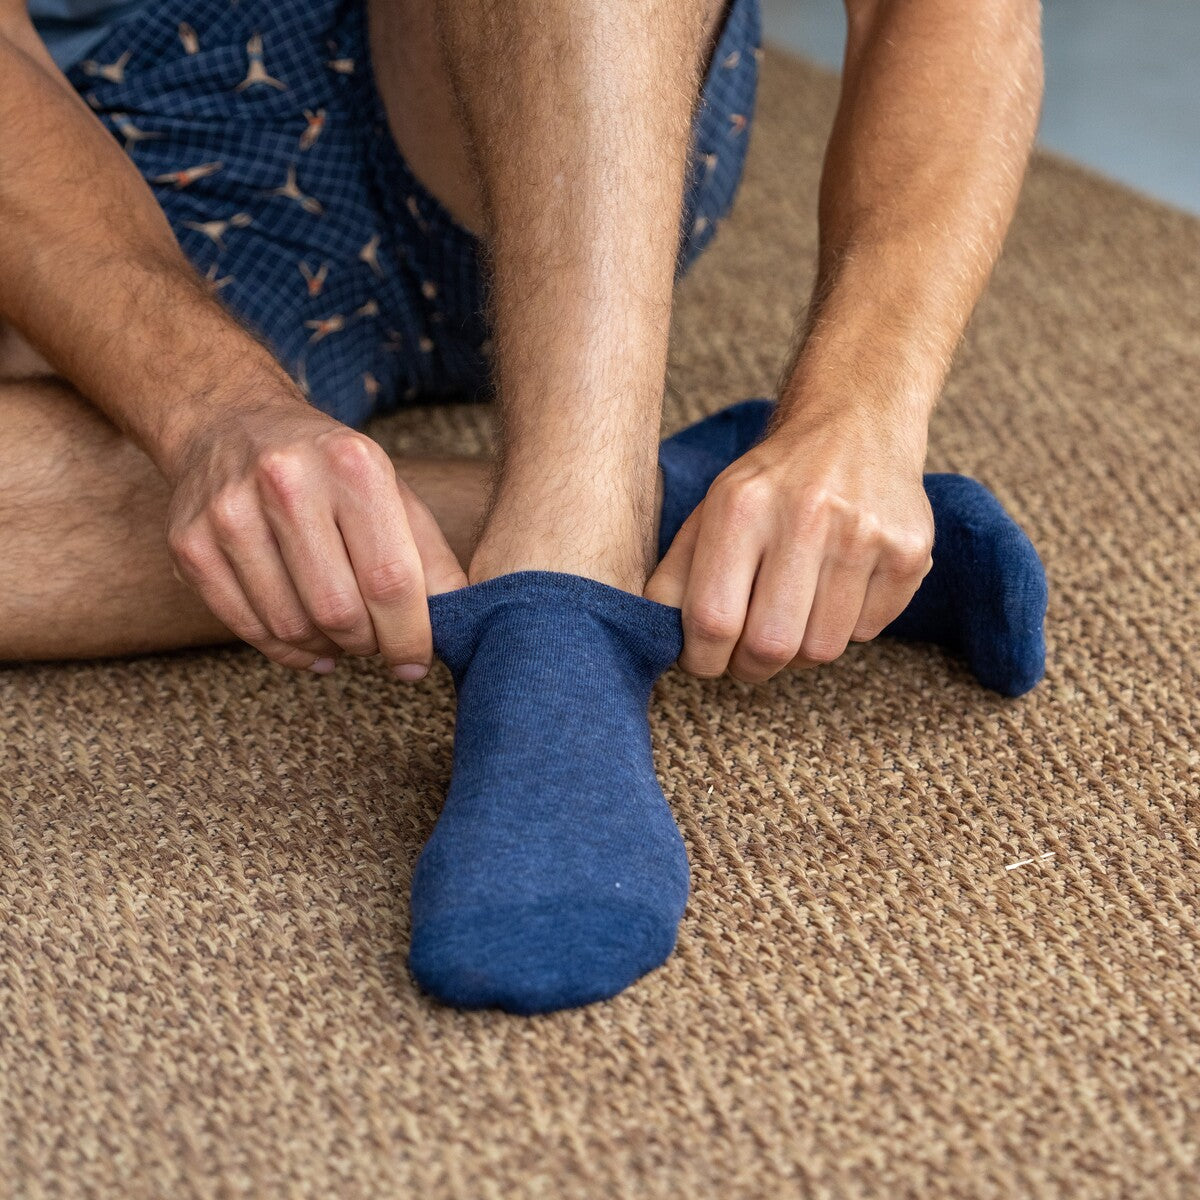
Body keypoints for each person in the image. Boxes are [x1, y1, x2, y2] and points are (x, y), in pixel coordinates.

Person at [0, 0, 1047, 1013]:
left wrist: (858, 415)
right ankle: (676, 513)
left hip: (516, 76)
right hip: (79, 171)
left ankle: (568, 594)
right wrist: (207, 409)